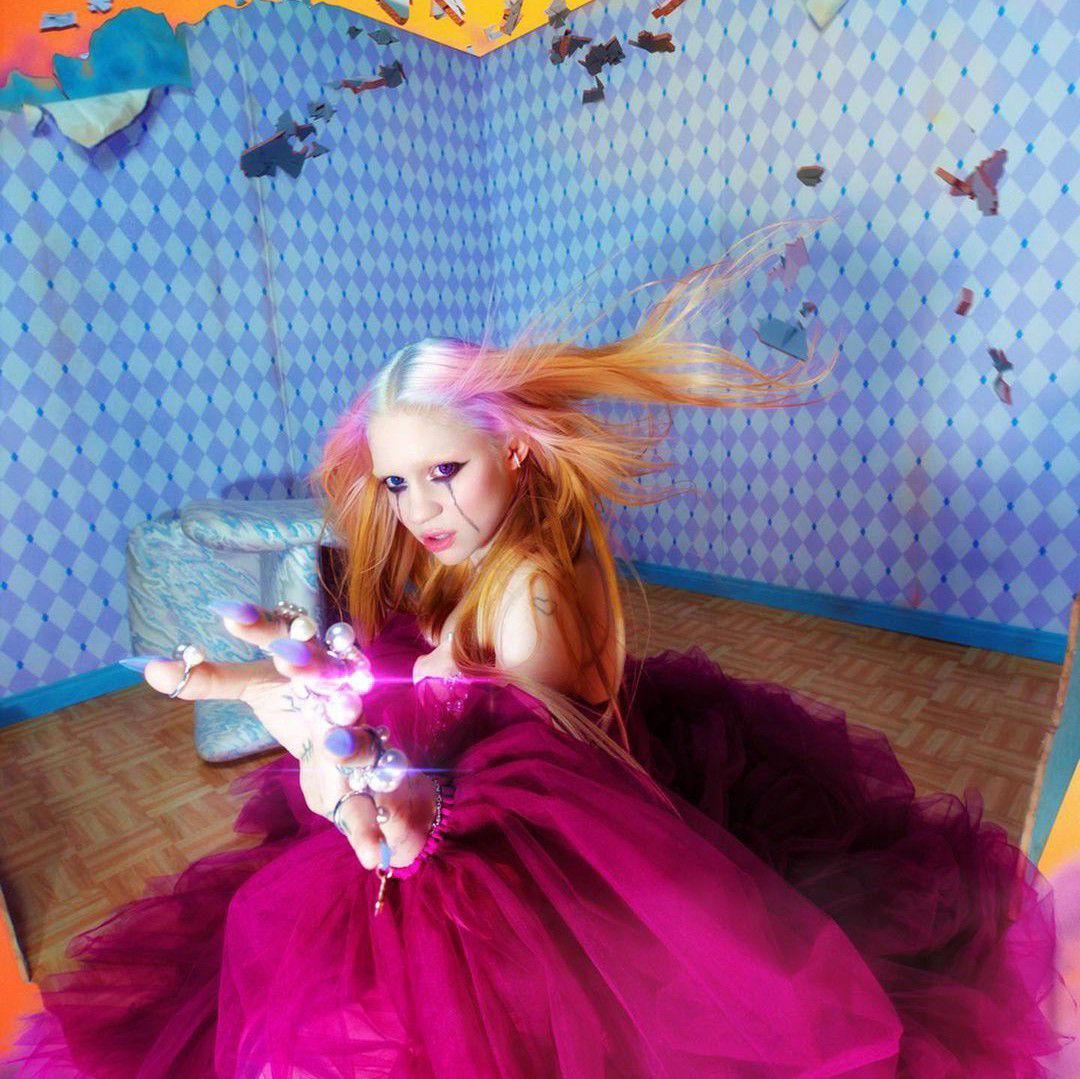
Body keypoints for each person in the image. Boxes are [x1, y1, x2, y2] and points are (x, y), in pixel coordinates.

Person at [4, 225, 1069, 1077]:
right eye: (396, 483)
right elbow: (428, 710)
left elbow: (525, 786)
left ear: (513, 446)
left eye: (445, 472)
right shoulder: (474, 560)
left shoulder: (532, 594)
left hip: (558, 834)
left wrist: (373, 751)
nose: (420, 508)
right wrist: (301, 694)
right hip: (488, 784)